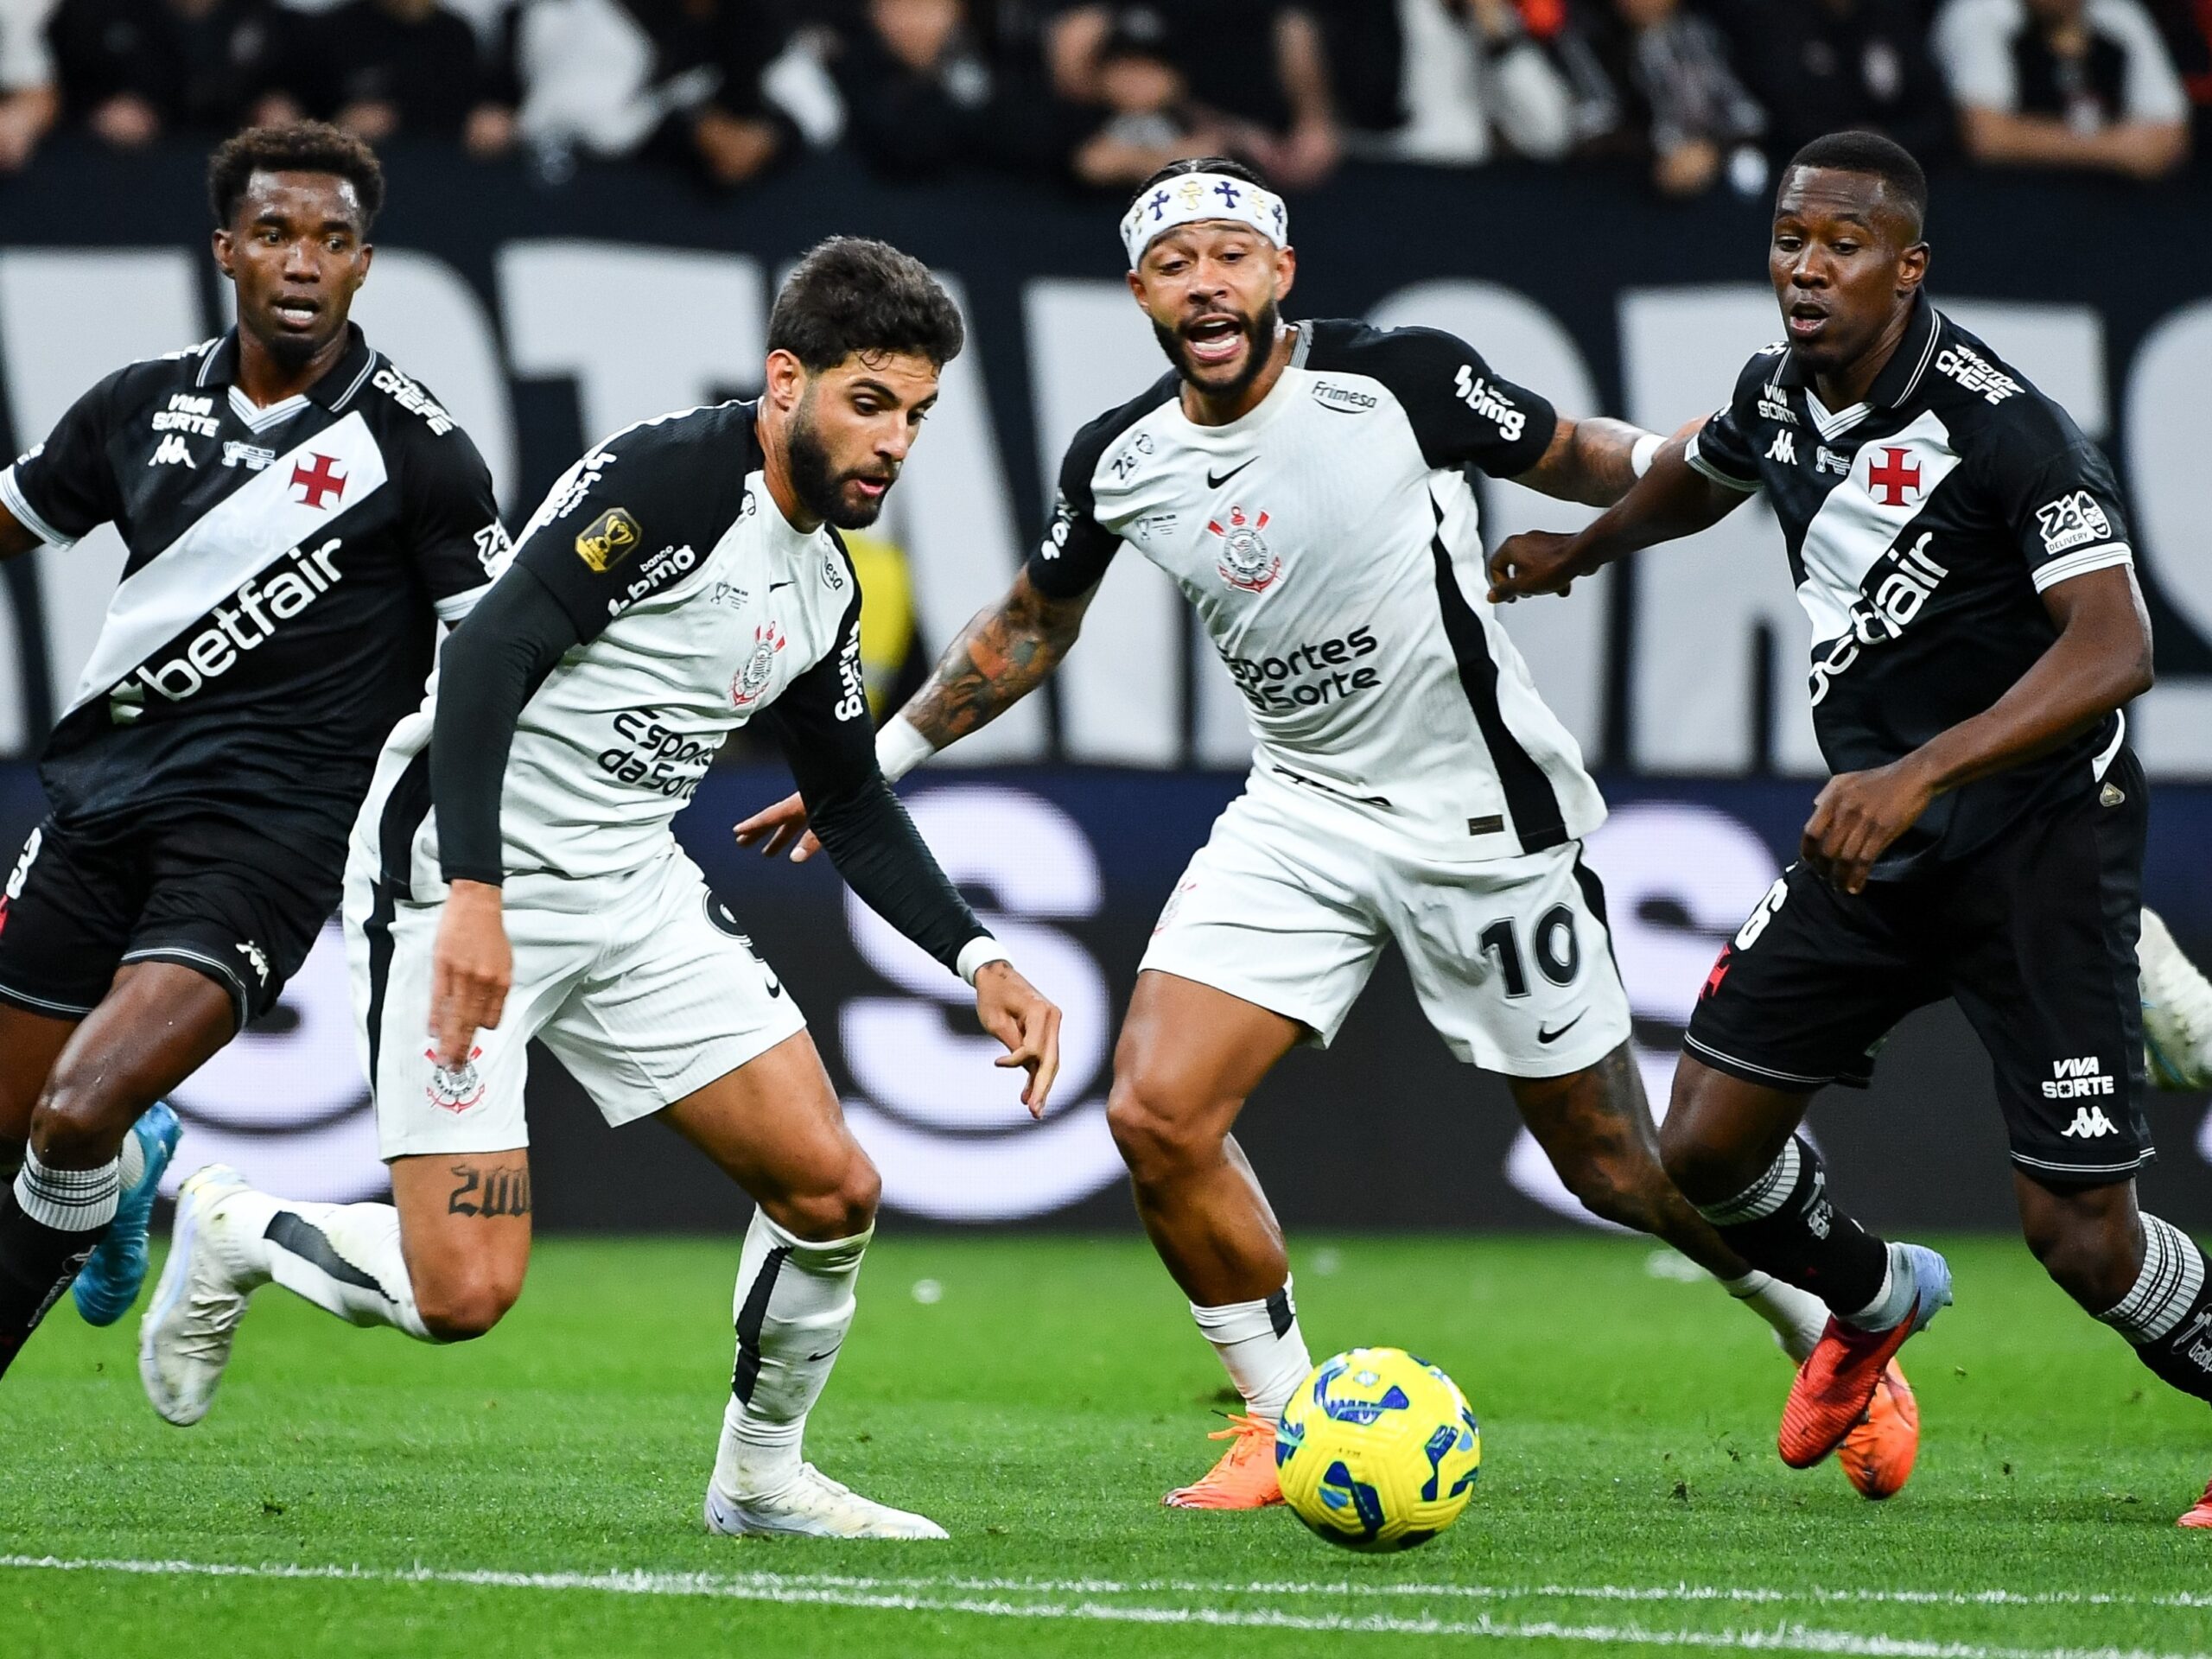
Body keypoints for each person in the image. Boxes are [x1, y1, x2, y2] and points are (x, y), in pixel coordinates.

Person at [737, 156, 1918, 1511]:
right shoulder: (1121, 457)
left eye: (1230, 255)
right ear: (1141, 295)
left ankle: (1823, 1322)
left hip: (1481, 816)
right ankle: (1282, 1419)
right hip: (1300, 809)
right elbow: (1029, 626)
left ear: (1280, 274)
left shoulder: (1393, 378)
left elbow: (1573, 451)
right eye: (1174, 265)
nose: (1205, 283)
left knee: (1614, 1166)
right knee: (1156, 1112)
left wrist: (1694, 457)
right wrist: (873, 763)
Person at [140, 238, 1065, 1542]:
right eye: (870, 403)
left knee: (831, 1191)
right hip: (459, 875)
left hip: (630, 891)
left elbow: (850, 802)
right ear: (786, 381)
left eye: (916, 414)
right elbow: (487, 657)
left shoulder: (823, 583)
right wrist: (474, 895)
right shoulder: (671, 481)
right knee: (462, 1295)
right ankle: (238, 1224)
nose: (894, 442)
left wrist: (982, 961)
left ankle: (759, 1481)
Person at [1488, 130, 2212, 1530]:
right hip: (1882, 837)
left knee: (2081, 1237)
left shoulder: (2003, 429)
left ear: (1908, 267)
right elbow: (1706, 469)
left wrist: (1918, 773)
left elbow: (2116, 646)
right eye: (1791, 242)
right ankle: (1872, 1300)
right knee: (1704, 1147)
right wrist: (1582, 549)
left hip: (2039, 839)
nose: (1808, 270)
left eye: (1844, 246)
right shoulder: (1779, 392)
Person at [0, 124, 505, 1376]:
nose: (303, 261)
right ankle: (128, 1168)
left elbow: (496, 659)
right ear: (226, 248)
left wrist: (474, 863)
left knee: (72, 1108)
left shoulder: (418, 452)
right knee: (26, 1129)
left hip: (265, 844)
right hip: (96, 809)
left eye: (333, 240)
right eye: (275, 233)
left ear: (364, 264)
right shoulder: (137, 405)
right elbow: (15, 516)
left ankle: (106, 1144)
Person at [1934, 0, 2192, 178]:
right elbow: (1987, 137)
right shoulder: (1981, 12)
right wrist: (2117, 149)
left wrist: (2039, 140)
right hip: (2009, 198)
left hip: (2114, 206)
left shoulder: (2120, 16)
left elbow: (2170, 138)